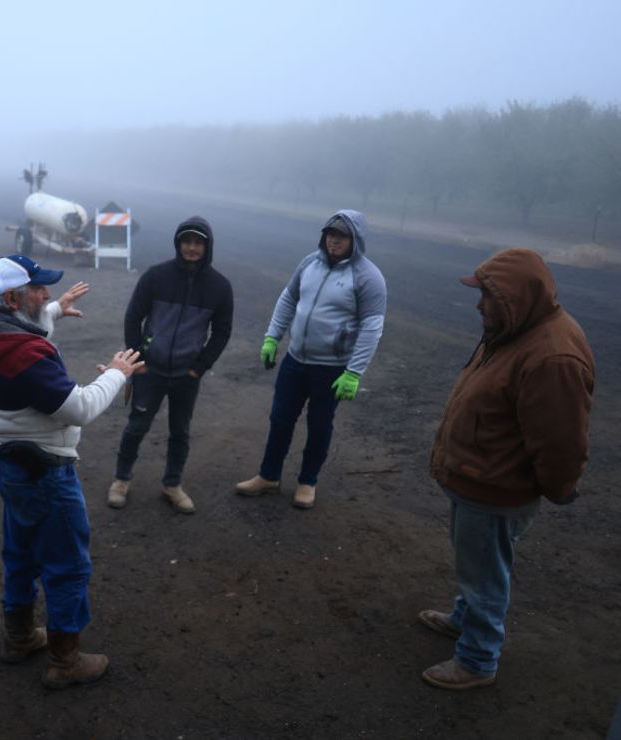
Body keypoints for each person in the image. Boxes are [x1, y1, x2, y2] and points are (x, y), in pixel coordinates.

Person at [0, 254, 144, 689]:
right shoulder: (26, 356)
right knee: (67, 566)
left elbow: (27, 326)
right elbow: (79, 408)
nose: (45, 296)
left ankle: (19, 637)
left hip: (12, 465)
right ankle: (66, 660)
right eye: (39, 290)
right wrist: (117, 374)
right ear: (12, 297)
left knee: (20, 556)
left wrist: (55, 308)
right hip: (46, 473)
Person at [421, 248, 594, 690]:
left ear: (516, 298)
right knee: (475, 565)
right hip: (477, 479)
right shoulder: (513, 328)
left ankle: (478, 659)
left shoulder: (552, 356)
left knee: (486, 576)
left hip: (496, 488)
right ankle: (464, 619)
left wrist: (557, 486)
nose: (480, 305)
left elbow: (560, 441)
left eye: (488, 297)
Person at [235, 210, 386, 509]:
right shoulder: (310, 263)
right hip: (295, 361)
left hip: (331, 368)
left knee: (319, 425)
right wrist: (272, 337)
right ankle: (268, 476)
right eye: (330, 233)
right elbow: (289, 298)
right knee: (280, 419)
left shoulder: (368, 277)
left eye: (341, 235)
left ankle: (307, 482)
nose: (334, 240)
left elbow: (372, 327)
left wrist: (354, 372)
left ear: (355, 239)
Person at [106, 216, 233, 513]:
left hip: (186, 376)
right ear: (178, 243)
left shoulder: (219, 287)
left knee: (181, 432)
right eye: (186, 241)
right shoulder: (156, 276)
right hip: (150, 370)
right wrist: (137, 360)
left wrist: (199, 367)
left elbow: (222, 331)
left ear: (207, 247)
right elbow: (133, 317)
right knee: (136, 427)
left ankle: (172, 484)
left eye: (198, 243)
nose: (191, 248)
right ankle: (121, 480)